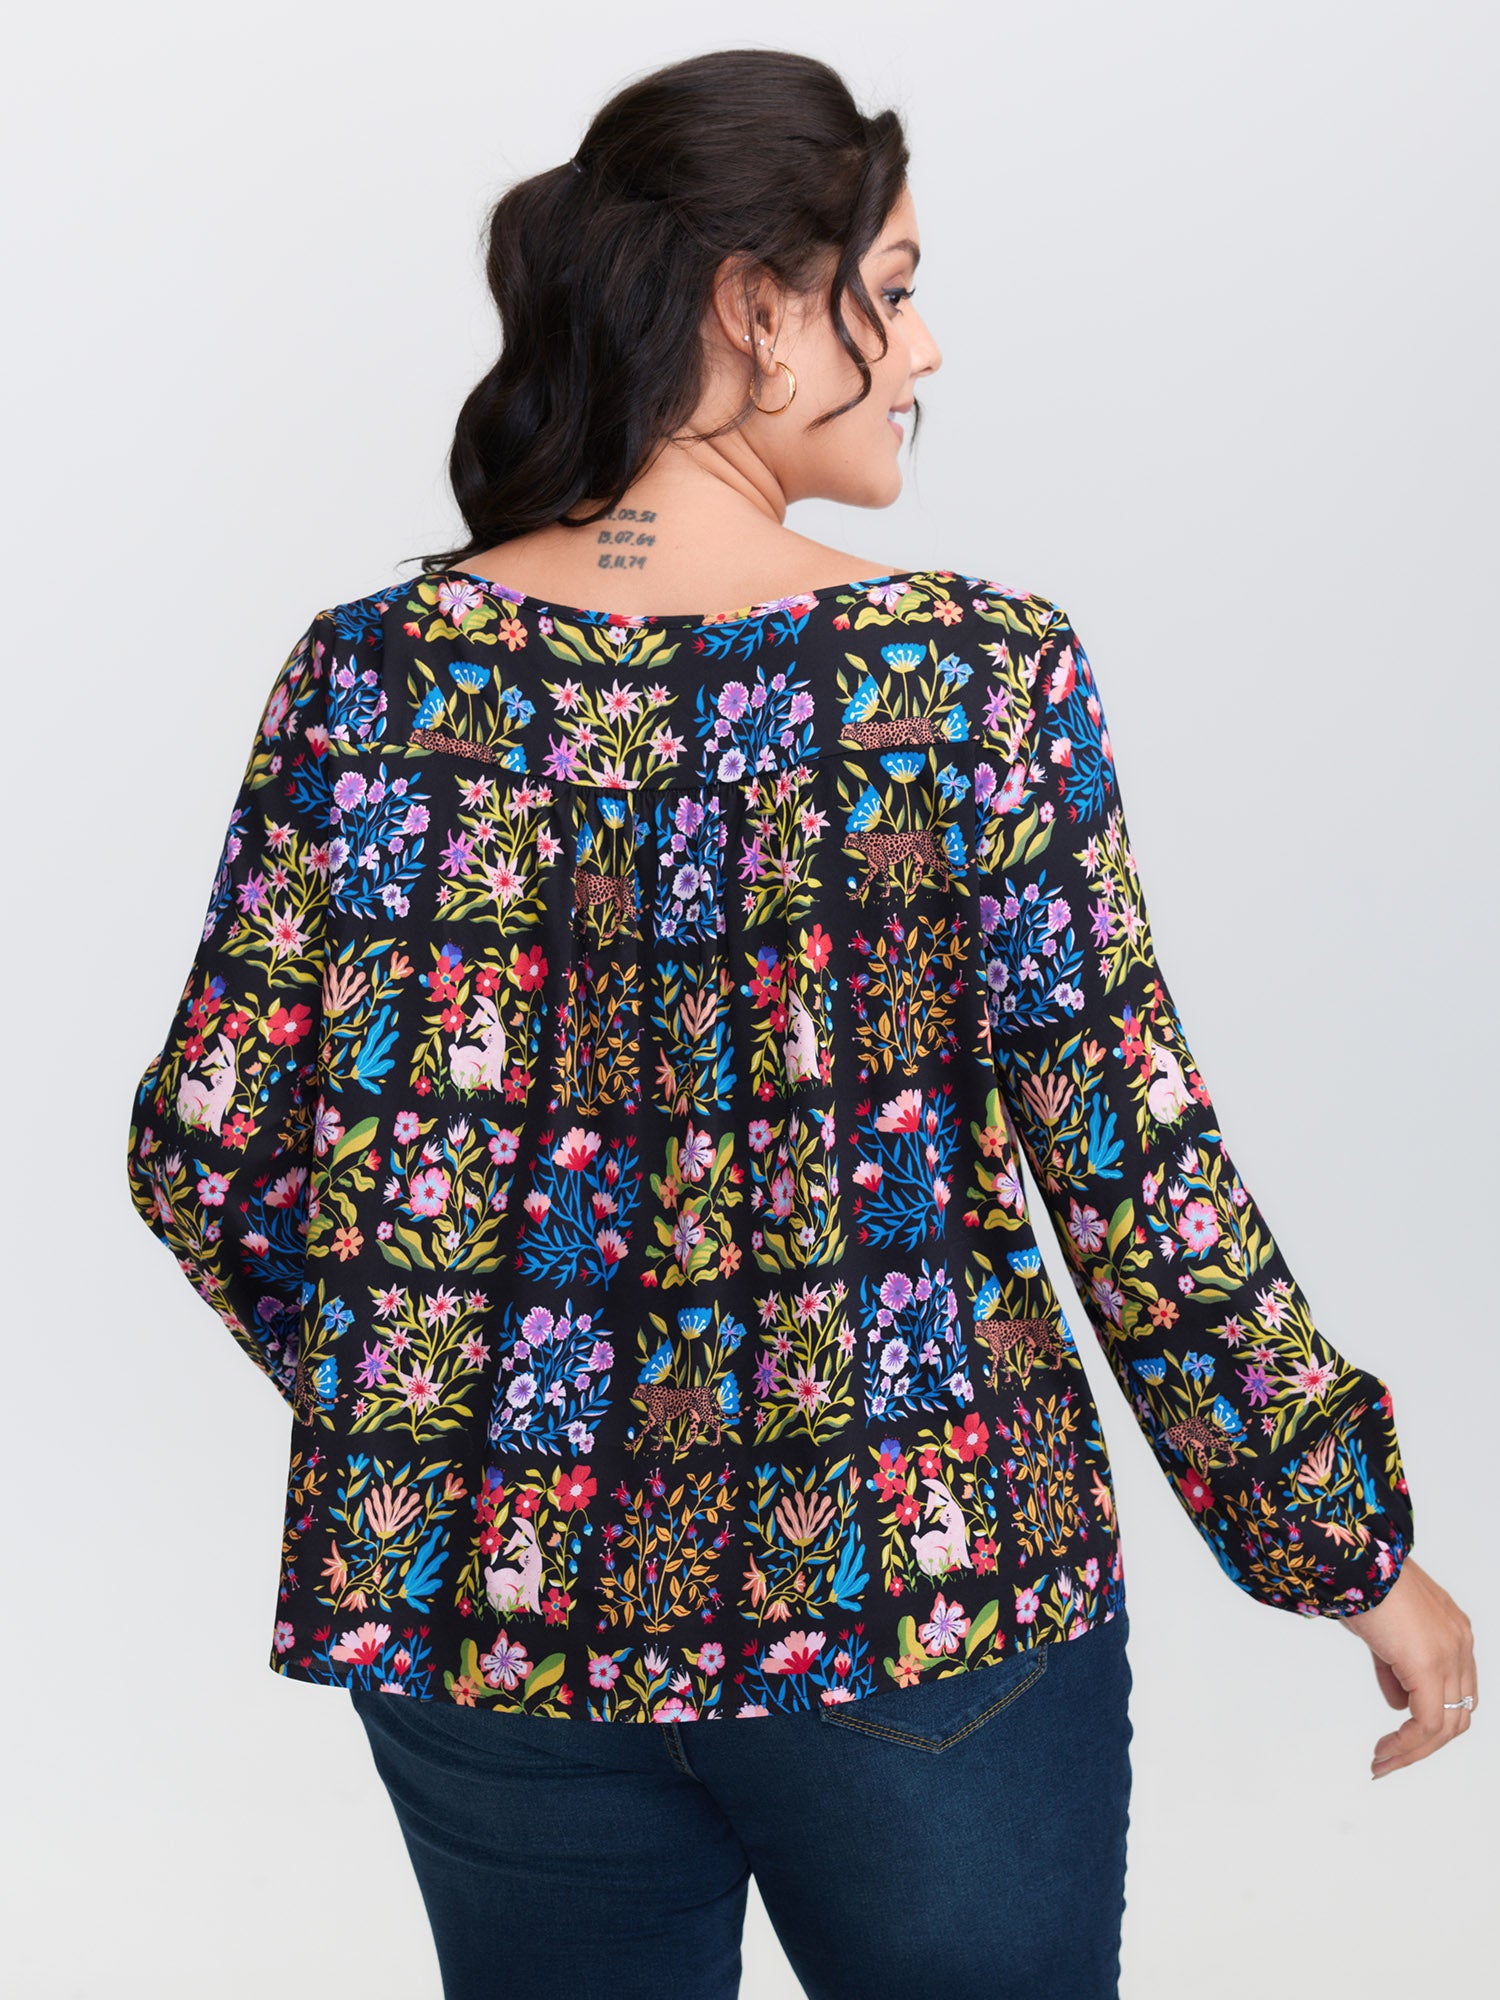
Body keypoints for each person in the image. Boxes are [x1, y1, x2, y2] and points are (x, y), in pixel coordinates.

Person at [125, 46, 1476, 2000]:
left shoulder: (368, 680)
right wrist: (1342, 1546)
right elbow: (1134, 1172)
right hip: (914, 1586)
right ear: (759, 306)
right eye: (892, 289)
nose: (924, 349)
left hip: (488, 1620)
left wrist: (462, 1396)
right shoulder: (967, 679)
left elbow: (207, 1153)